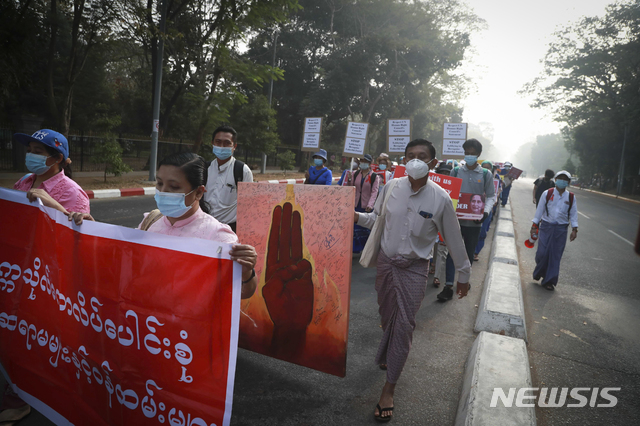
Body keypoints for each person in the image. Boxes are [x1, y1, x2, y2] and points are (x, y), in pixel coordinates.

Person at [354, 139, 470, 422]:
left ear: (432, 163)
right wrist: (353, 215)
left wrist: (463, 275)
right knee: (388, 316)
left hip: (415, 269)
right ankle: (388, 352)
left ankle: (389, 388)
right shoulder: (391, 186)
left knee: (404, 326)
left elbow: (453, 239)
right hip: (385, 264)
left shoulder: (440, 198)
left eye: (422, 156)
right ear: (403, 160)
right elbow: (376, 220)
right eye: (410, 156)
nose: (415, 160)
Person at [68, 152, 258, 299]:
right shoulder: (150, 221)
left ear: (199, 192)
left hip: (186, 339)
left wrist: (247, 271)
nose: (163, 192)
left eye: (174, 187)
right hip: (147, 328)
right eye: (159, 184)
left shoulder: (219, 237)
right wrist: (90, 231)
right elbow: (123, 257)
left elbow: (241, 294)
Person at [439, 139, 495, 301]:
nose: (469, 156)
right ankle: (448, 285)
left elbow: (491, 195)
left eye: (473, 153)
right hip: (455, 221)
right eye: (467, 153)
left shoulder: (485, 174)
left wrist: (484, 213)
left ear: (478, 154)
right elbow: (449, 195)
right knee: (451, 252)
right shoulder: (456, 172)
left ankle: (463, 281)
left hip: (475, 223)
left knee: (468, 254)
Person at [12, 129, 89, 214]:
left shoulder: (74, 193)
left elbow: (79, 226)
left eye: (37, 152)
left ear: (58, 158)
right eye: (29, 151)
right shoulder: (24, 180)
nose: (31, 155)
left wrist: (54, 206)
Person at [531, 170, 578, 291]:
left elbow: (573, 214)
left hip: (561, 229)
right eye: (560, 178)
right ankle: (539, 271)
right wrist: (534, 225)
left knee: (555, 255)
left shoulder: (571, 197)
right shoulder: (547, 193)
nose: (562, 181)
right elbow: (539, 210)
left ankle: (549, 281)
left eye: (565, 179)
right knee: (541, 253)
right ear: (555, 180)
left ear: (568, 182)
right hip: (546, 226)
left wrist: (574, 229)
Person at [204, 125, 253, 233]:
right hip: (205, 227)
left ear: (234, 146)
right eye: (218, 142)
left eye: (227, 143)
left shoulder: (242, 171)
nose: (222, 146)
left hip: (230, 230)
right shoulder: (205, 169)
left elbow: (248, 206)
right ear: (212, 143)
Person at [344, 154, 380, 253]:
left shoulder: (374, 176)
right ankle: (355, 248)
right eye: (362, 161)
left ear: (369, 163)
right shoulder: (355, 174)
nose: (363, 163)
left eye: (365, 161)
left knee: (365, 228)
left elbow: (374, 192)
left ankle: (366, 249)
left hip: (366, 206)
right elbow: (350, 188)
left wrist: (370, 205)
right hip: (355, 204)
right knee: (355, 227)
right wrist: (349, 179)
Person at [432, 162, 453, 287]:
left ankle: (437, 276)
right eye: (442, 173)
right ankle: (431, 266)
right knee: (432, 248)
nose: (445, 175)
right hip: (430, 221)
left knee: (441, 250)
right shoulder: (430, 186)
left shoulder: (455, 188)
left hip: (445, 221)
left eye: (447, 173)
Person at [473, 161, 495, 261]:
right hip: (474, 210)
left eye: (488, 168)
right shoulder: (475, 179)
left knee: (482, 233)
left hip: (486, 211)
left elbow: (493, 196)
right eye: (484, 167)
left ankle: (476, 252)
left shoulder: (493, 181)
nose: (487, 169)